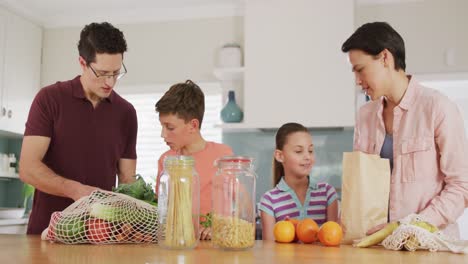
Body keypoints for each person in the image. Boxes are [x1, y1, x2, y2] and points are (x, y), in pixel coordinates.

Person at [342, 22, 468, 238]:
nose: (357, 81)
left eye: (360, 70)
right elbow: (360, 188)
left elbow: (461, 187)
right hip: (378, 248)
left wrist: (410, 227)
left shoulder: (438, 107)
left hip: (430, 248)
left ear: (385, 58)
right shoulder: (365, 116)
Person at [19, 22, 137, 234]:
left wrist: (130, 217)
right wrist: (76, 190)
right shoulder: (49, 99)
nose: (110, 82)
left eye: (116, 73)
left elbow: (127, 180)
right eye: (102, 73)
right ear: (82, 62)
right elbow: (28, 168)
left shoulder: (126, 113)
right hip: (46, 234)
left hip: (100, 235)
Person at [155, 80, 233, 240]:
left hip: (212, 247)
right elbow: (161, 210)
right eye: (162, 126)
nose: (163, 134)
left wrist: (217, 227)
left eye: (170, 128)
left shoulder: (222, 156)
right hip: (177, 244)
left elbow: (236, 207)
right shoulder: (166, 160)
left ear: (193, 125)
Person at [259, 122, 339, 241]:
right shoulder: (269, 201)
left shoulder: (327, 194)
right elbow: (270, 250)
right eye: (298, 151)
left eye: (310, 151)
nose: (307, 157)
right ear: (280, 156)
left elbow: (333, 239)